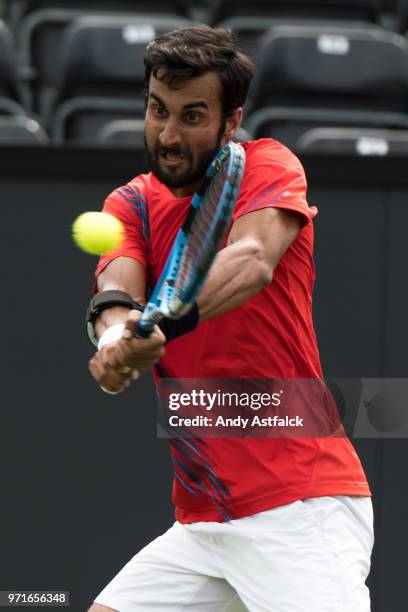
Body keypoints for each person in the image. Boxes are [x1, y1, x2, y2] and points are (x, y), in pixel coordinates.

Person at [87, 26, 373, 612]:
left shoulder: (267, 166)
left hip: (297, 504)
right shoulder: (131, 202)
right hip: (203, 520)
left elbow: (251, 260)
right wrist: (117, 339)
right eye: (156, 110)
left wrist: (161, 322)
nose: (168, 134)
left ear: (230, 120)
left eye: (192, 116)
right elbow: (117, 287)